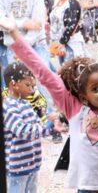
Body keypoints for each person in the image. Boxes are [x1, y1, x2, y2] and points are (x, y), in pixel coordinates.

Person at [0, 0, 98, 192]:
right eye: (96, 88)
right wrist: (15, 34)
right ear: (83, 96)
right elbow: (43, 73)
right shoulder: (74, 108)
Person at [2, 62, 65, 193]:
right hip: (17, 167)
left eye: (33, 86)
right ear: (13, 84)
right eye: (28, 85)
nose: (31, 89)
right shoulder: (8, 107)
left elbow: (39, 128)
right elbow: (24, 131)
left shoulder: (26, 104)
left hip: (32, 164)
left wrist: (54, 126)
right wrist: (47, 125)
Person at [49, 0, 89, 65]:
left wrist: (62, 42)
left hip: (71, 43)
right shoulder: (57, 1)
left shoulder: (72, 2)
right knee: (64, 71)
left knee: (72, 71)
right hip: (60, 43)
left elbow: (72, 24)